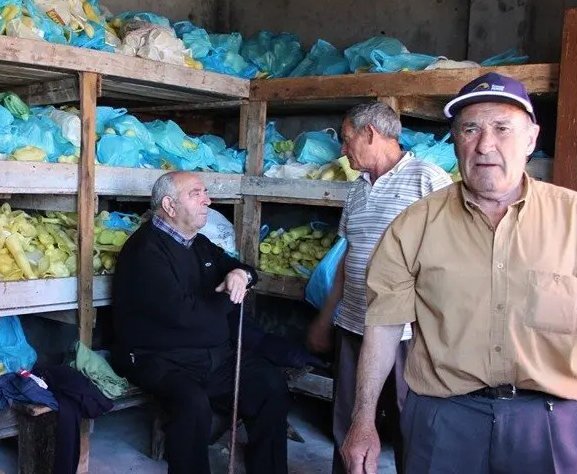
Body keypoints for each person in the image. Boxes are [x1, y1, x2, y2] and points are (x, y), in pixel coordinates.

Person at [342, 72, 577, 474]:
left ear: (531, 139)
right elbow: (385, 326)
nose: (485, 144)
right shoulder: (414, 224)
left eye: (502, 128)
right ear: (455, 141)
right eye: (470, 129)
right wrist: (363, 420)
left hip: (548, 423)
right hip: (443, 420)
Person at [307, 101, 452, 474]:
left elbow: (449, 261)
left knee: (411, 426)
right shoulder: (356, 189)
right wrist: (327, 318)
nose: (342, 149)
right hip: (353, 325)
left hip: (406, 335)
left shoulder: (428, 178)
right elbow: (347, 256)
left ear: (369, 134)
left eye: (345, 139)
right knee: (350, 423)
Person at [110, 171, 289, 474]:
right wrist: (230, 296)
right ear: (169, 205)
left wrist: (239, 275)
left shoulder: (199, 244)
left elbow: (244, 269)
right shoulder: (144, 252)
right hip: (159, 357)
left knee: (270, 384)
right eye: (196, 193)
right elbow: (185, 315)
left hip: (211, 355)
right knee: (192, 405)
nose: (208, 200)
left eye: (205, 192)